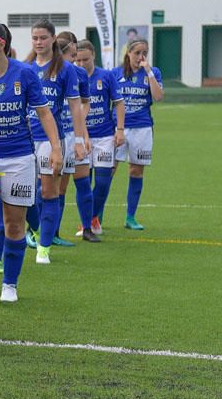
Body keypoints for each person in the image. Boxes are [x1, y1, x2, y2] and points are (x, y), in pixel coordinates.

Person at [0, 22, 62, 304]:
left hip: (19, 158)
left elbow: (44, 114)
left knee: (14, 224)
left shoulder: (25, 73)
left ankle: (10, 283)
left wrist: (56, 148)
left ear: (1, 44)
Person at [23, 20, 86, 264]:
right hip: (24, 139)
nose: (39, 42)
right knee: (25, 194)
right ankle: (36, 230)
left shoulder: (66, 69)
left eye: (43, 38)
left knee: (49, 192)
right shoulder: (25, 67)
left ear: (52, 39)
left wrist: (79, 140)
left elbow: (75, 107)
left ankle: (44, 248)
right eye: (35, 38)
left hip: (51, 139)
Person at [110, 38, 163, 230]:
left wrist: (148, 72)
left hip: (142, 128)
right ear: (128, 53)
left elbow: (157, 97)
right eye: (137, 53)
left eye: (144, 53)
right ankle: (95, 217)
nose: (141, 57)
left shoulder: (153, 72)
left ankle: (130, 217)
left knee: (136, 170)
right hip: (117, 128)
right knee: (108, 170)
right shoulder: (115, 73)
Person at [74, 40, 124, 235]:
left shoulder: (106, 76)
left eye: (85, 59)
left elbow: (118, 103)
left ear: (94, 56)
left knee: (103, 183)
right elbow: (76, 110)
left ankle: (91, 217)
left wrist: (119, 129)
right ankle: (87, 224)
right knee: (84, 184)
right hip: (80, 137)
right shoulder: (72, 77)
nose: (81, 63)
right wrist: (82, 135)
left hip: (104, 136)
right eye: (77, 60)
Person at [51, 31, 97, 243]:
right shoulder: (46, 72)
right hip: (57, 135)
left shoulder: (78, 74)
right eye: (71, 54)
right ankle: (53, 232)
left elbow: (84, 102)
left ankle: (87, 228)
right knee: (58, 187)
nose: (74, 59)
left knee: (83, 180)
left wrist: (82, 130)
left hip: (74, 134)